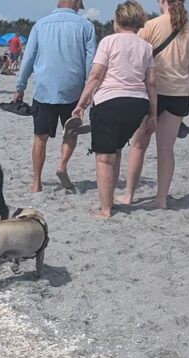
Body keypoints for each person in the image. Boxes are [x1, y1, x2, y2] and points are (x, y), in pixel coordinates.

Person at [72, 1, 156, 217]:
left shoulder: (108, 41)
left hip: (109, 102)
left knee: (104, 157)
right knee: (116, 150)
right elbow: (151, 83)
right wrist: (153, 113)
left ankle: (106, 209)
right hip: (138, 105)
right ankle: (110, 202)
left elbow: (96, 76)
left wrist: (81, 104)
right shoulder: (146, 46)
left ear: (118, 20)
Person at [15, 0, 96, 193]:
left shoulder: (40, 25)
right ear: (76, 3)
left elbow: (29, 58)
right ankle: (61, 164)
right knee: (71, 132)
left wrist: (20, 86)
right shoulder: (86, 26)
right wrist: (89, 91)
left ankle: (36, 182)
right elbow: (90, 62)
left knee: (40, 137)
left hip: (44, 90)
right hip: (73, 90)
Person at [119, 0, 189, 209]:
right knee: (166, 149)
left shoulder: (150, 26)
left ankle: (129, 195)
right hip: (179, 93)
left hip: (153, 93)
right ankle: (161, 200)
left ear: (162, 2)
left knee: (139, 145)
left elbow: (136, 57)